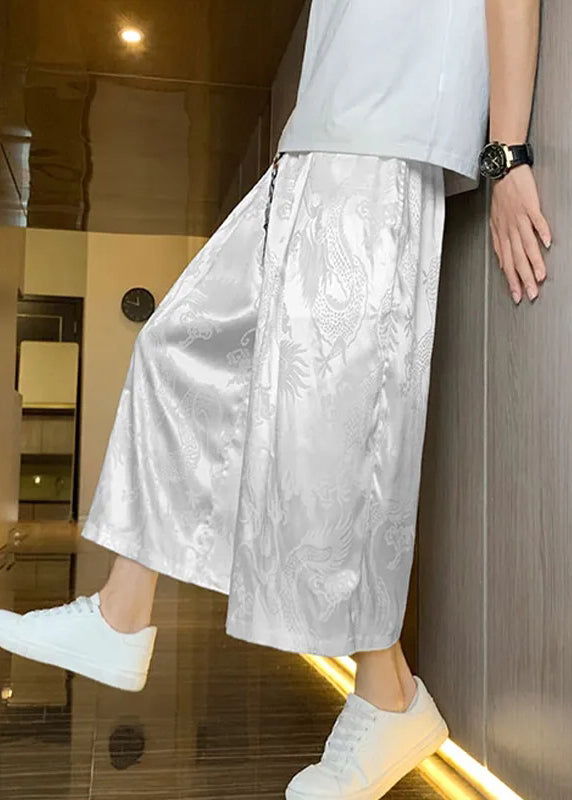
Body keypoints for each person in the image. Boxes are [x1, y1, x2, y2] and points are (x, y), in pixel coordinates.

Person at [0, 1, 551, 798]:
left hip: (387, 135)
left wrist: (509, 153)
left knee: (329, 431)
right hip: (318, 138)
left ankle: (389, 693)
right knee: (176, 347)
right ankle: (123, 610)